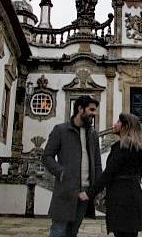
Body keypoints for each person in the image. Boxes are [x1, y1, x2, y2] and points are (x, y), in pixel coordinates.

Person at [79, 113, 142, 237]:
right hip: (135, 196)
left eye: (118, 122)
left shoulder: (120, 149)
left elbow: (108, 175)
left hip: (120, 198)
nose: (114, 124)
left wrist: (89, 193)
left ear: (125, 126)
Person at [43, 95, 102, 237]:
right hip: (66, 189)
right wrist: (61, 172)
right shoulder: (60, 130)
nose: (94, 113)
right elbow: (47, 156)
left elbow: (97, 163)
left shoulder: (93, 134)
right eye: (91, 109)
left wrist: (97, 188)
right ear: (80, 109)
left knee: (72, 232)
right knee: (58, 230)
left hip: (85, 192)